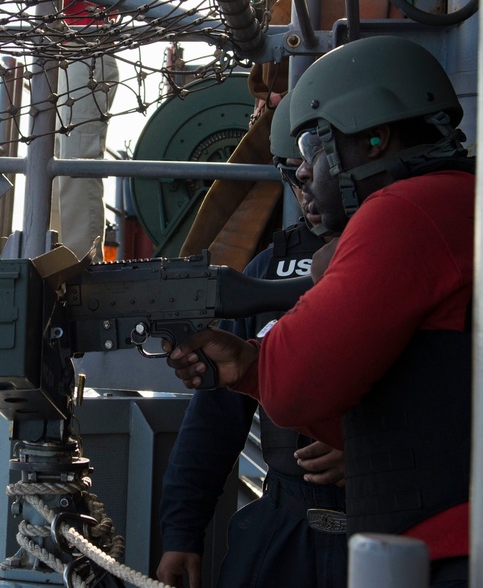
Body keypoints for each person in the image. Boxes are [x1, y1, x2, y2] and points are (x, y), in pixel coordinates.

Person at [165, 36, 474, 587]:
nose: (303, 174)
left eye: (314, 146)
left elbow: (297, 386)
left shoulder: (405, 212)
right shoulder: (459, 205)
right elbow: (435, 399)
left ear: (374, 138)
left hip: (440, 549)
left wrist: (265, 367)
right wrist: (246, 366)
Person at [156, 94, 347, 588]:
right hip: (287, 521)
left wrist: (372, 454)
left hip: (393, 512)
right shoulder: (266, 273)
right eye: (291, 171)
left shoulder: (423, 259)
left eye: (314, 163)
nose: (304, 182)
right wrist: (181, 532)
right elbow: (214, 420)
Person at [50, 0, 118, 262]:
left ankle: (83, 270)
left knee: (76, 163)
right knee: (54, 171)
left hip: (88, 46)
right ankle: (56, 266)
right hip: (64, 49)